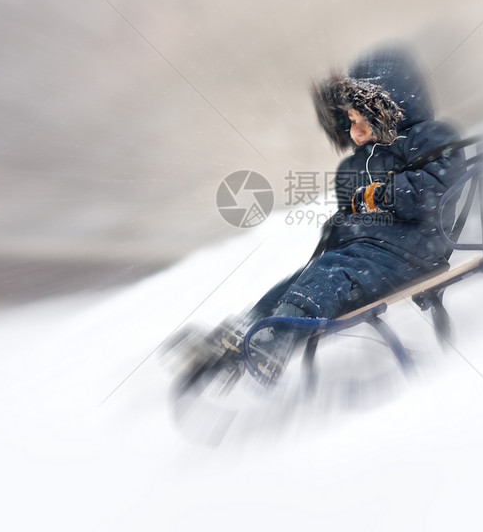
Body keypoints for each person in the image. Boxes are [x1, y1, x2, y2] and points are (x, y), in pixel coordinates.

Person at [172, 47, 466, 391]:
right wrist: (340, 228)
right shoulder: (354, 165)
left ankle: (275, 340)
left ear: (389, 110)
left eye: (362, 120)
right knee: (304, 278)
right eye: (350, 122)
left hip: (414, 251)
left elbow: (434, 188)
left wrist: (381, 194)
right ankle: (245, 331)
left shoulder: (430, 138)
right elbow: (352, 215)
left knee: (331, 274)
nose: (355, 132)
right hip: (367, 253)